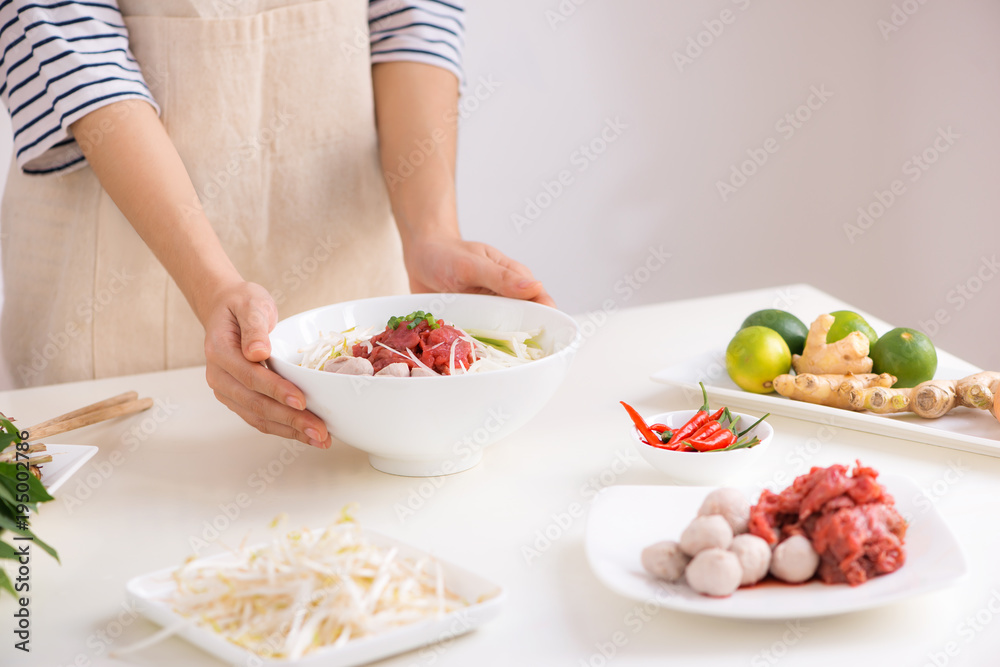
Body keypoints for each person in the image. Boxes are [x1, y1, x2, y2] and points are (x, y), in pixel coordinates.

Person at [0, 0, 552, 449]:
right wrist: (211, 284)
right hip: (116, 270)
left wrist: (430, 233)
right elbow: (73, 50)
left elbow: (413, 18)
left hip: (344, 250)